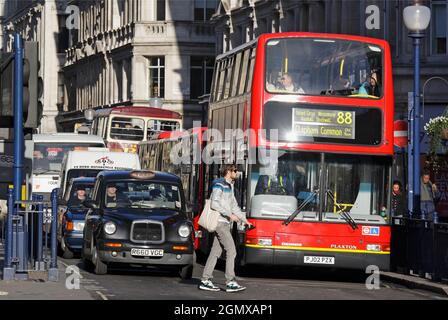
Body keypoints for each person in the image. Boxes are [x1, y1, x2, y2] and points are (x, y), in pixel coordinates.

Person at [199, 164, 253, 293]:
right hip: (220, 222)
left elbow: (234, 206)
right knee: (231, 251)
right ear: (228, 171)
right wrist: (230, 215)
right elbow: (214, 203)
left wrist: (245, 220)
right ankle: (230, 282)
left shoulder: (230, 185)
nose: (237, 173)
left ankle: (205, 280)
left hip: (224, 223)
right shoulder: (220, 185)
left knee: (215, 252)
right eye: (235, 171)